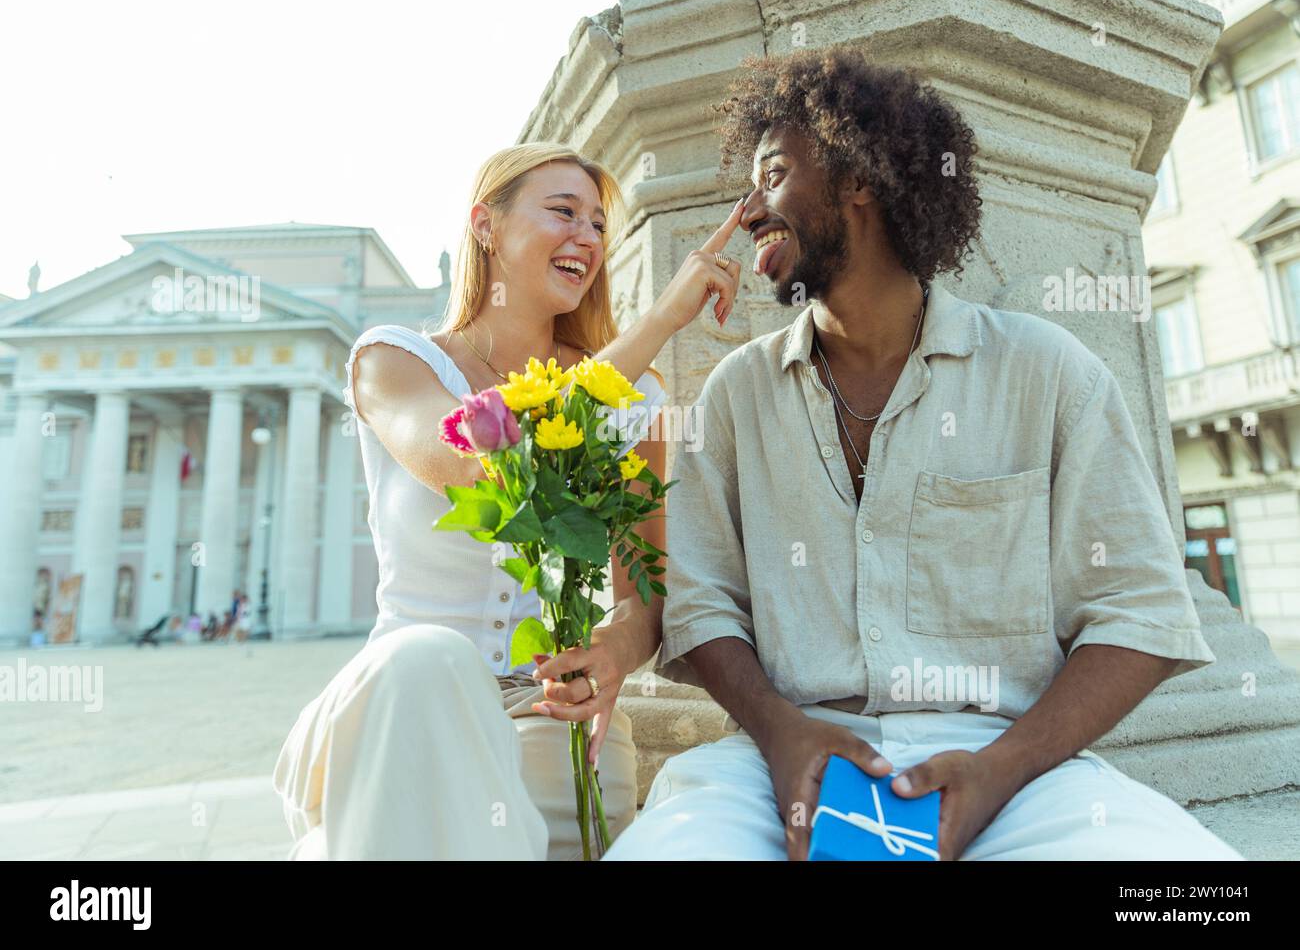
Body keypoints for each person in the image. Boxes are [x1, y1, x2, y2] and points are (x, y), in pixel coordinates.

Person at [604, 48, 1244, 861]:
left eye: (772, 175)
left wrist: (999, 771)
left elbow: (1139, 613)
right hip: (780, 759)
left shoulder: (1047, 372)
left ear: (857, 178)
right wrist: (783, 736)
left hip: (1015, 770)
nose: (749, 207)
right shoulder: (736, 395)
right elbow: (700, 610)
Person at [272, 141, 746, 859]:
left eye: (596, 225)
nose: (585, 237)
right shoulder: (395, 361)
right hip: (400, 709)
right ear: (484, 226)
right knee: (429, 662)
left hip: (554, 725)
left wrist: (612, 653)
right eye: (563, 212)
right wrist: (656, 325)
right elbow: (483, 469)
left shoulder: (640, 402)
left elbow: (642, 594)